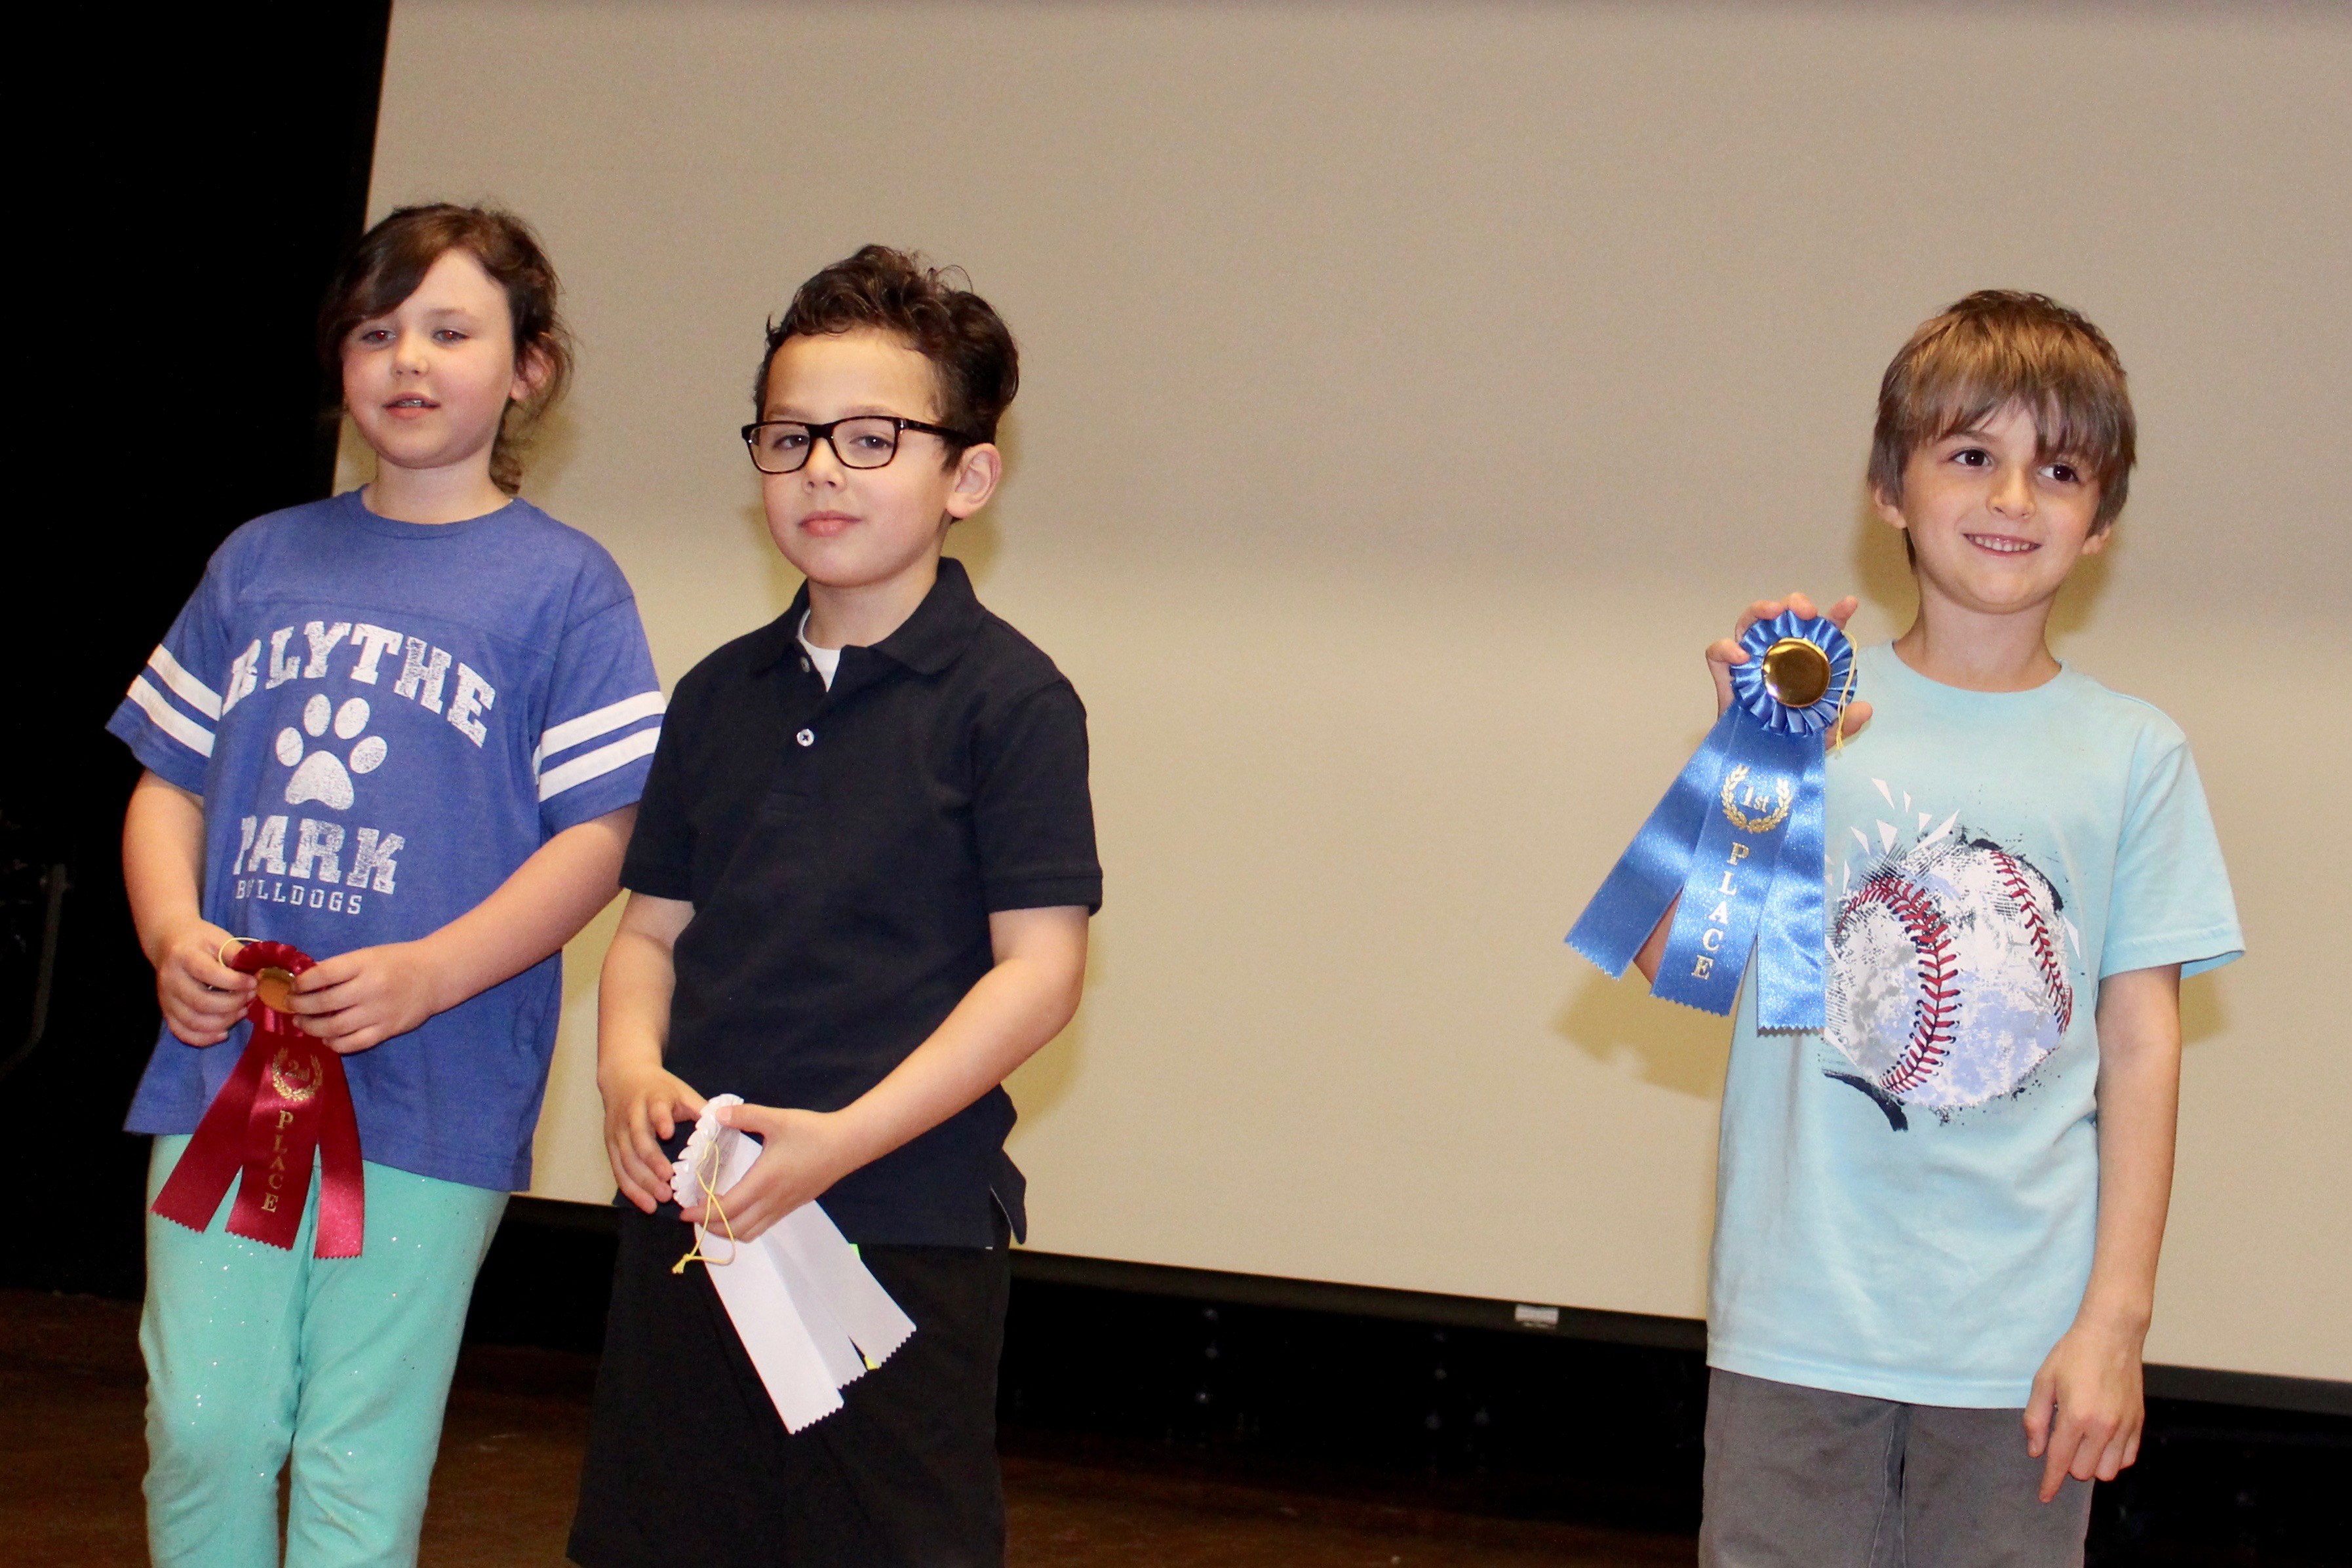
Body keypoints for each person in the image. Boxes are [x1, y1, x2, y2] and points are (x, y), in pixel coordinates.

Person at [1639, 291, 2243, 1566]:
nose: (2013, 497)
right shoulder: (1815, 712)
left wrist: (2114, 1322)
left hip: (2021, 1346)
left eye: (2059, 468)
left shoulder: (2133, 754)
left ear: (2104, 519)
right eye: (1972, 454)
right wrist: (1749, 763)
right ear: (1891, 490)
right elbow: (1677, 964)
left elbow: (2142, 1048)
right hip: (1799, 1320)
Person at [111, 203, 663, 1567]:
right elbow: (167, 781)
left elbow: (604, 834)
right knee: (203, 1423)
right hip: (223, 1072)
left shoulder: (568, 589)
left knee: (360, 1447)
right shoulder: (259, 558)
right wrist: (172, 925)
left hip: (437, 1089)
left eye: (450, 328)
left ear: (530, 368)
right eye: (376, 329)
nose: (408, 357)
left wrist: (434, 969)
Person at [567, 246, 1099, 1568]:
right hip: (701, 1214)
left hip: (900, 1219)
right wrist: (630, 1067)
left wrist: (845, 1139)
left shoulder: (1011, 701)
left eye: (872, 439)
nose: (821, 469)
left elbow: (1040, 968)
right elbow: (649, 930)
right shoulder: (716, 693)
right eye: (791, 436)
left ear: (966, 476)